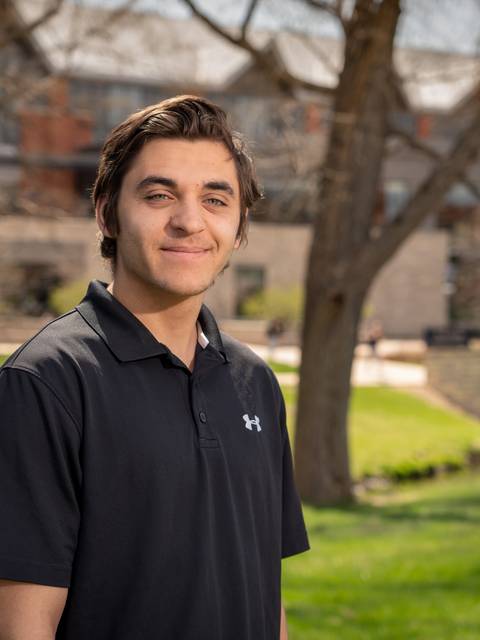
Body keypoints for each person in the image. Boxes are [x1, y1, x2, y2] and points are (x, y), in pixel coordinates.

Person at [0, 95, 309, 640]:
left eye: (216, 199)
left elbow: (266, 591)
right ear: (107, 213)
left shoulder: (254, 383)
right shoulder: (46, 383)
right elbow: (22, 622)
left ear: (238, 228)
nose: (190, 221)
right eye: (160, 194)